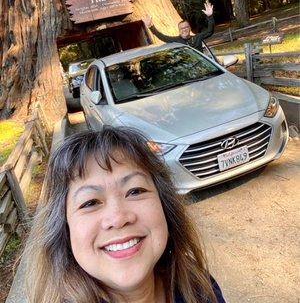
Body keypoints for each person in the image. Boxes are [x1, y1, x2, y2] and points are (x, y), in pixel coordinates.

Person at [25, 126, 226, 303]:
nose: (118, 218)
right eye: (90, 202)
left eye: (135, 191)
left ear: (165, 206)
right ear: (64, 230)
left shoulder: (198, 287)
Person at [143, 2, 214, 53]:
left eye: (186, 27)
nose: (184, 29)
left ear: (190, 28)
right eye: (182, 28)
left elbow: (210, 31)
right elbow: (162, 37)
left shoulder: (197, 37)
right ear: (179, 30)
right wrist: (151, 27)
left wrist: (210, 16)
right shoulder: (176, 40)